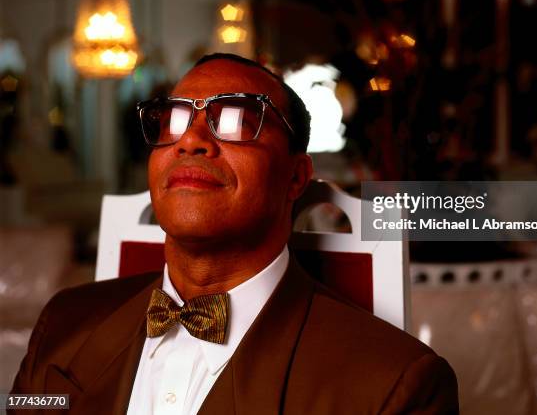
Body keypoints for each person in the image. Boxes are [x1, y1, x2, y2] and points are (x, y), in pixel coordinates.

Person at [12, 53, 458, 414]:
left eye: (238, 121)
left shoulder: (396, 383)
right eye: (174, 120)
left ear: (296, 178)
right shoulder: (63, 323)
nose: (190, 140)